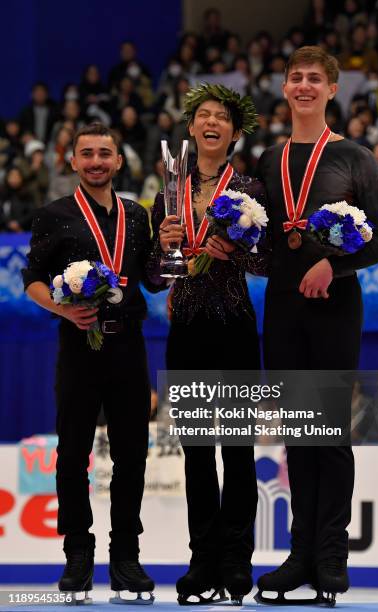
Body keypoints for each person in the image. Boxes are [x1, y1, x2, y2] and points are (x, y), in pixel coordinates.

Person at [255, 46, 378, 603]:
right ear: (285, 89)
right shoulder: (268, 159)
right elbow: (265, 239)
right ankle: (299, 555)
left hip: (336, 306)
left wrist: (331, 266)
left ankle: (332, 557)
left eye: (316, 78)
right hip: (284, 308)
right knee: (297, 435)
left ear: (332, 90)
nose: (305, 85)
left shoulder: (356, 158)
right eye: (297, 78)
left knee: (329, 433)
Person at [21, 123, 165, 604]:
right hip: (78, 346)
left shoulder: (138, 216)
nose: (97, 161)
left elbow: (153, 279)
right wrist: (63, 308)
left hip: (129, 347)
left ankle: (126, 557)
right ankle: (77, 555)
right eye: (88, 154)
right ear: (74, 161)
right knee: (72, 454)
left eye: (106, 153)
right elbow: (33, 280)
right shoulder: (53, 215)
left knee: (132, 456)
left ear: (120, 161)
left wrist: (169, 249)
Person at [150, 83, 265, 605]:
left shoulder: (249, 189)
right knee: (197, 454)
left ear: (234, 133)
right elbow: (155, 277)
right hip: (188, 329)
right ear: (192, 128)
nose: (212, 122)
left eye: (222, 116)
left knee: (238, 452)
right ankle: (202, 560)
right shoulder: (168, 191)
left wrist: (233, 253)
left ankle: (237, 561)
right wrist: (163, 245)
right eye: (204, 116)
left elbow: (267, 263)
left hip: (236, 326)